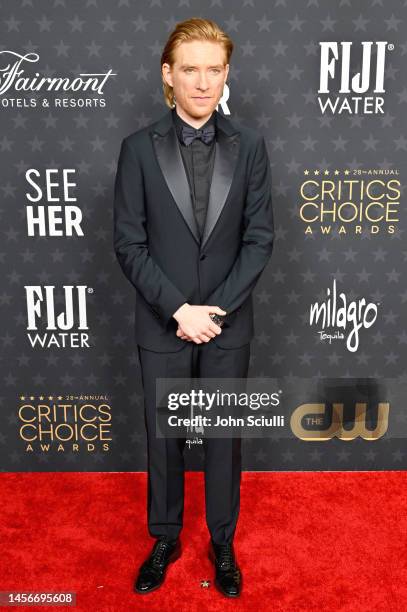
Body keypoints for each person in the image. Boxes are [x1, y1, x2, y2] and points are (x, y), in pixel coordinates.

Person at [113, 17, 274, 598]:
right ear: (168, 75)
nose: (202, 83)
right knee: (164, 437)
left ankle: (222, 541)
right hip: (163, 322)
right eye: (190, 70)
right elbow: (128, 243)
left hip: (226, 326)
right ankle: (165, 538)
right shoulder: (137, 150)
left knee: (224, 437)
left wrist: (215, 312)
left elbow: (260, 240)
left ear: (226, 74)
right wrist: (179, 310)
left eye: (213, 70)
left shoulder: (251, 145)